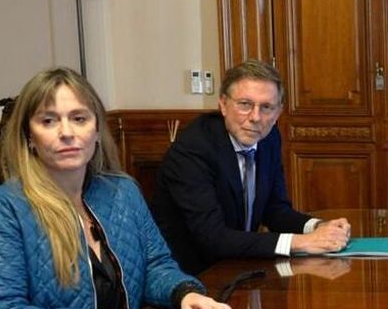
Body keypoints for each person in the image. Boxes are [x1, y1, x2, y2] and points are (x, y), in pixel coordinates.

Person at [0, 67, 235, 309]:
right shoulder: (2, 211)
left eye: (79, 118)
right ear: (28, 137)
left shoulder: (121, 191)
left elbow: (154, 265)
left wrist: (184, 293)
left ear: (97, 130)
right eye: (48, 121)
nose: (67, 132)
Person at [150, 60, 351, 274]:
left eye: (266, 107)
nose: (255, 117)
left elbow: (275, 211)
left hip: (240, 267)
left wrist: (319, 227)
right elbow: (213, 238)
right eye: (245, 104)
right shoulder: (193, 149)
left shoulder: (269, 137)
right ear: (223, 104)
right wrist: (302, 242)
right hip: (191, 277)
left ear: (278, 113)